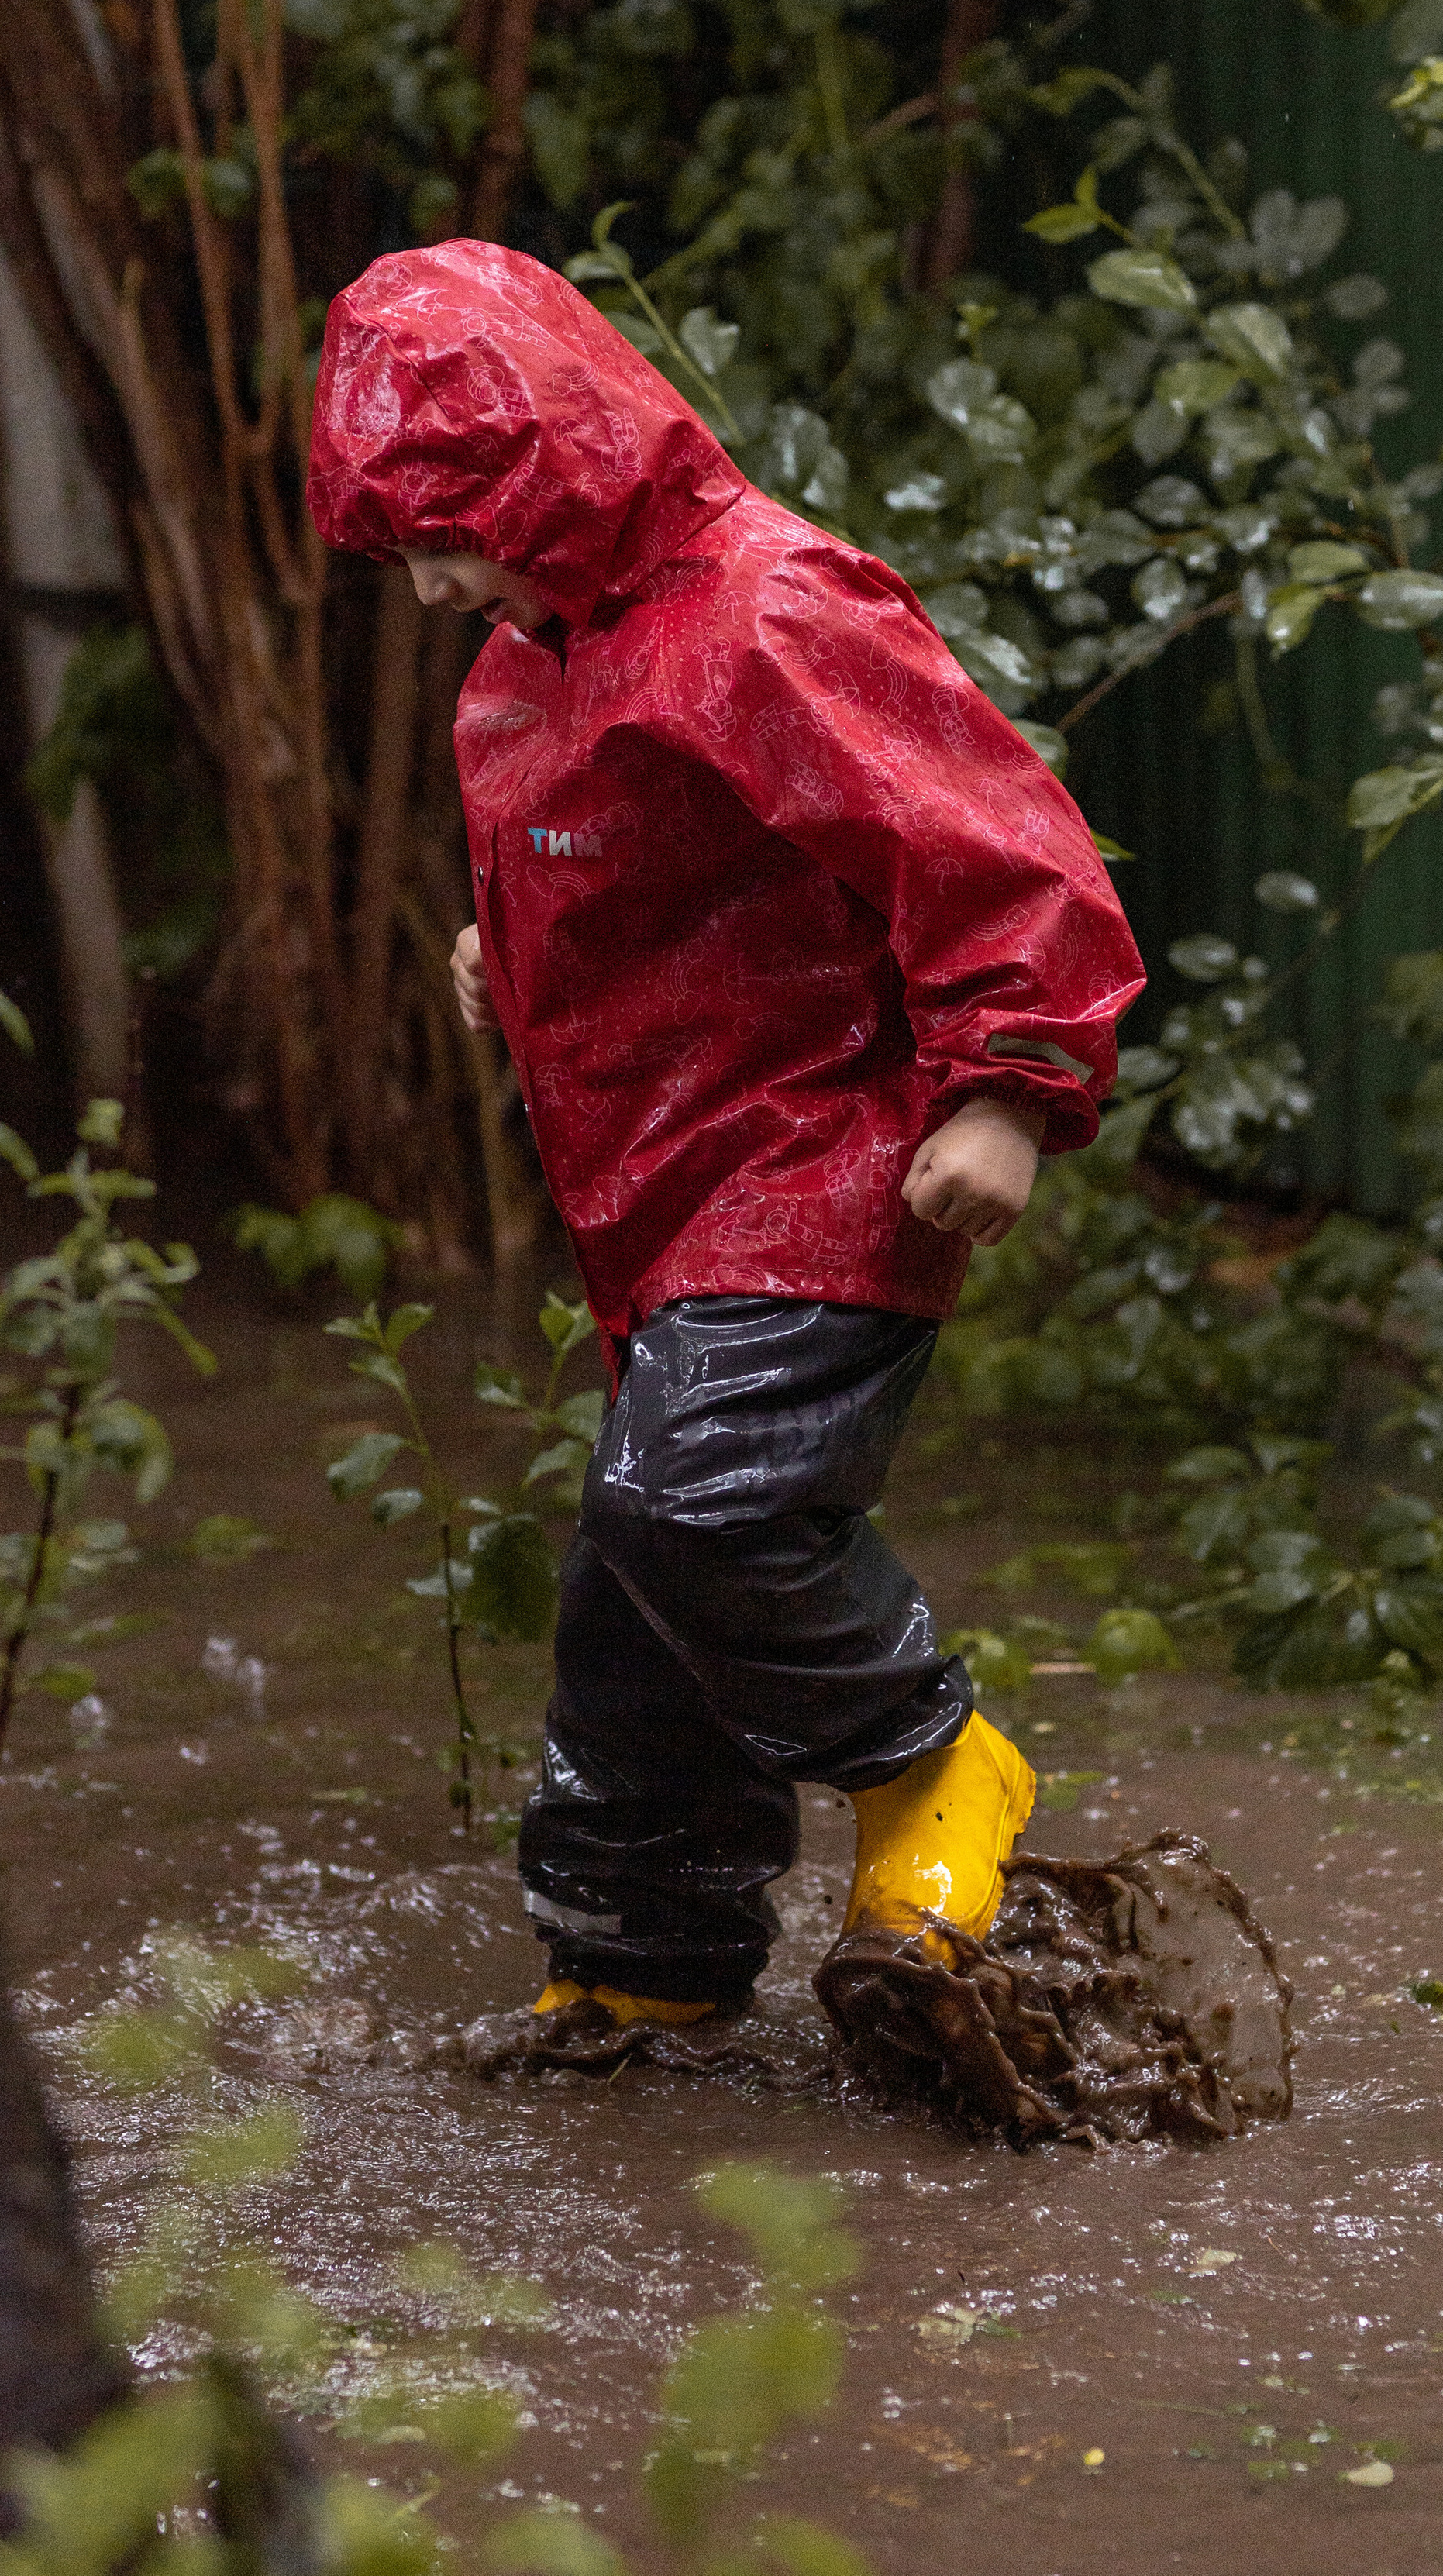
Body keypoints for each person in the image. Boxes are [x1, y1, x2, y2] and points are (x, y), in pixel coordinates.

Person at [306, 239, 1145, 2047]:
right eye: (402, 550)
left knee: (696, 1505)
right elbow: (643, 869)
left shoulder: (765, 608)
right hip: (659, 1181)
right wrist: (508, 953)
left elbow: (984, 841)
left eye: (450, 533)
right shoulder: (525, 666)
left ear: (553, 471)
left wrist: (1003, 1086)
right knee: (632, 1589)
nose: (432, 583)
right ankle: (642, 1948)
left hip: (823, 1154)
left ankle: (931, 1764)